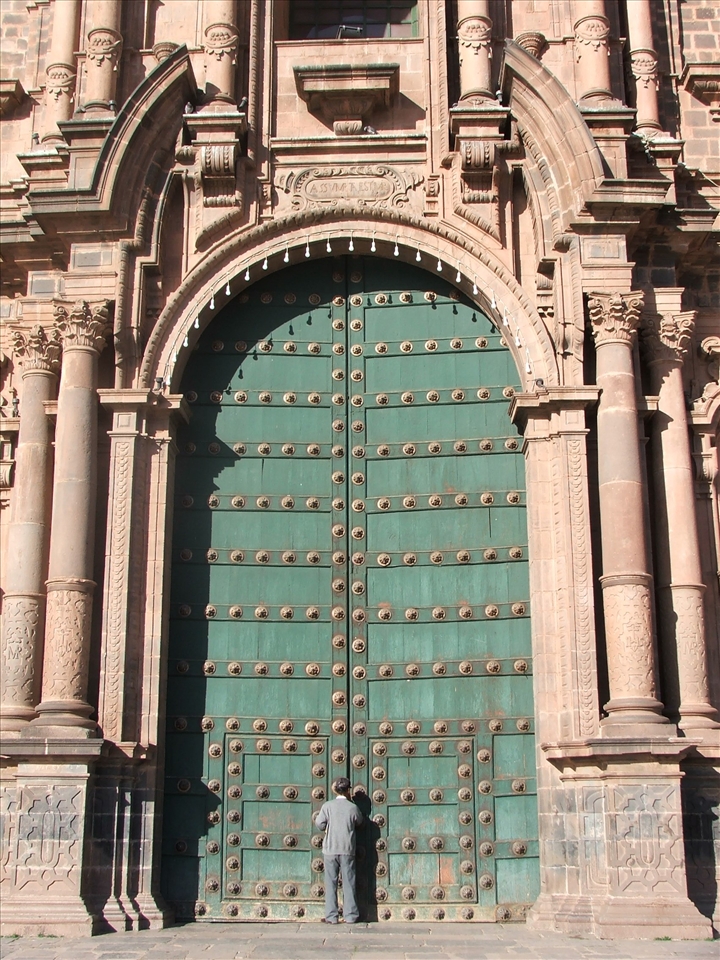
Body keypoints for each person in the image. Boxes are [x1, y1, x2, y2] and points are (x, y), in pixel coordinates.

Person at [315, 777, 363, 924]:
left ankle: (332, 916)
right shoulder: (352, 807)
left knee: (331, 883)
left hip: (330, 849)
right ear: (348, 790)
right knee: (349, 882)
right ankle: (351, 916)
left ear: (336, 789)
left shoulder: (327, 806)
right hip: (347, 849)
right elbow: (359, 822)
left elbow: (320, 824)